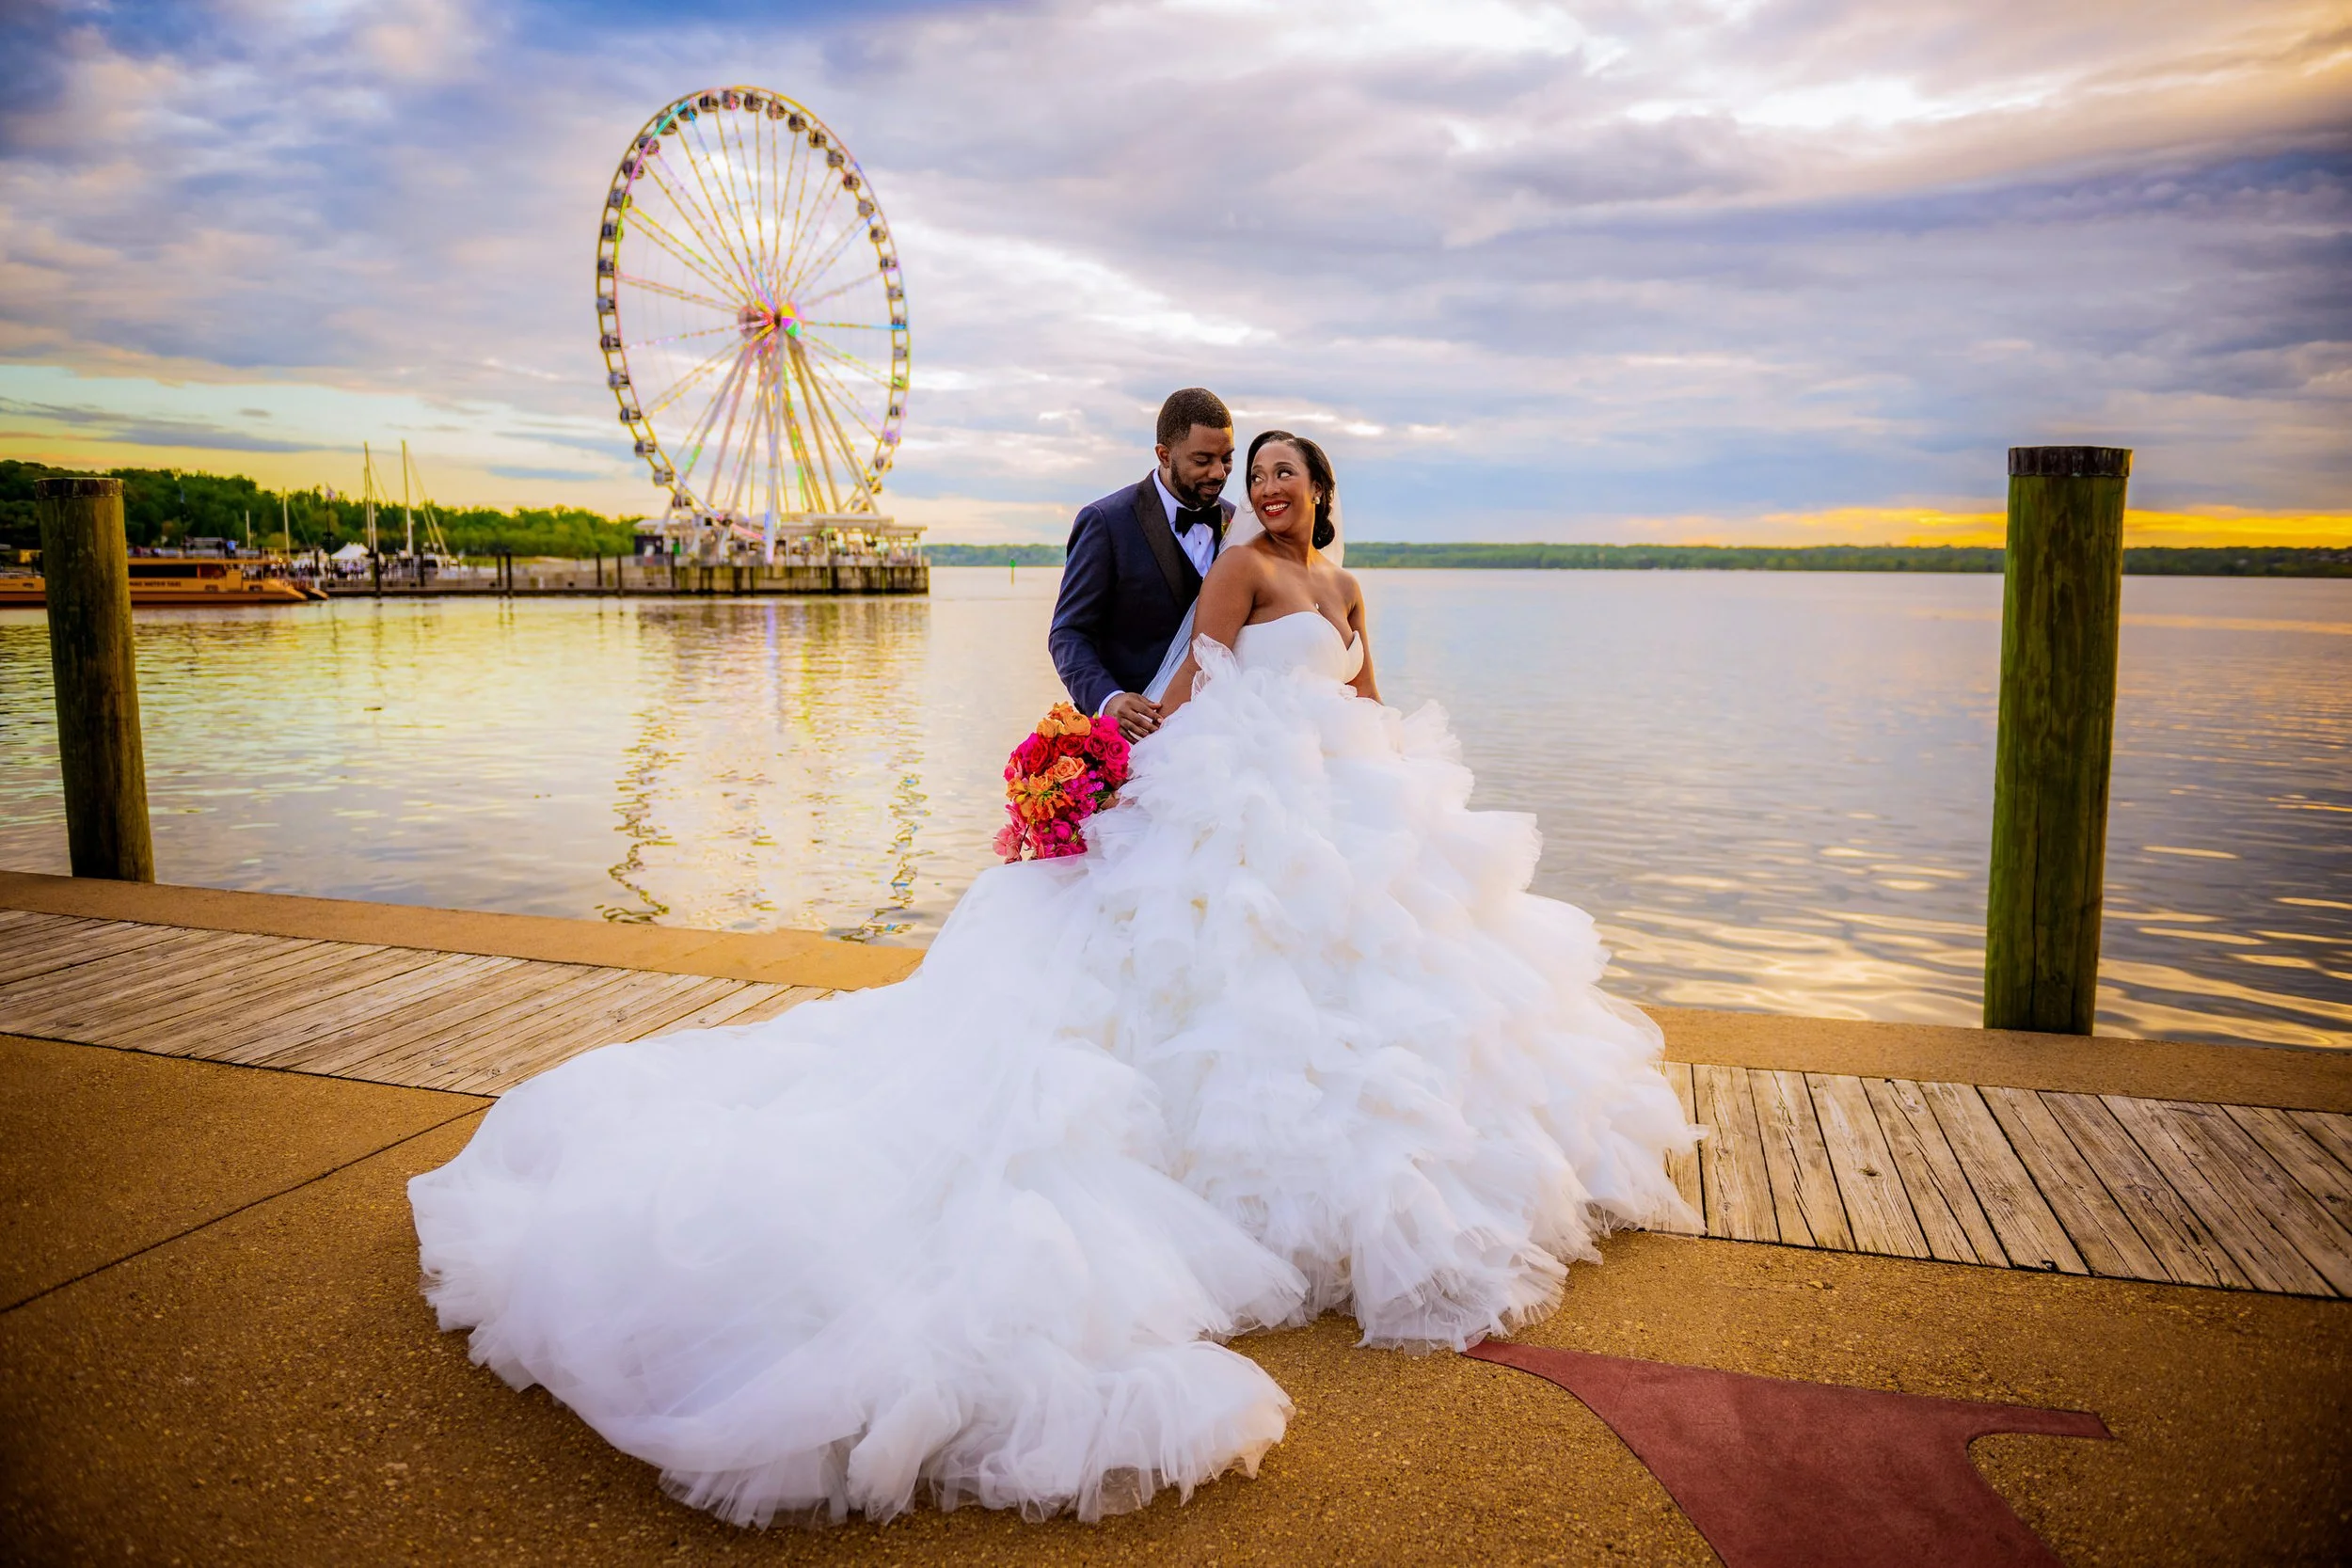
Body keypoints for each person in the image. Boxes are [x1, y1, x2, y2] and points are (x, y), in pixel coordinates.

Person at [408, 433, 1698, 1529]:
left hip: (1341, 799)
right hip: (1240, 793)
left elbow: (1368, 694)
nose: (1270, 490)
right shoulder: (1242, 572)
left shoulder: (1350, 586)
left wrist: (1388, 783)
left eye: (1288, 474)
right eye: (1257, 473)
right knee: (1217, 975)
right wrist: (1108, 755)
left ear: (1324, 489)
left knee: (1395, 981)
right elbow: (1186, 682)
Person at [1049, 388, 1235, 741]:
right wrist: (1109, 700)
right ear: (1164, 455)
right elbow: (1069, 633)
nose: (1218, 472)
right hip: (1133, 742)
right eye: (1202, 460)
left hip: (1218, 739)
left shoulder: (1237, 523)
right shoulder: (1106, 521)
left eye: (1226, 458)